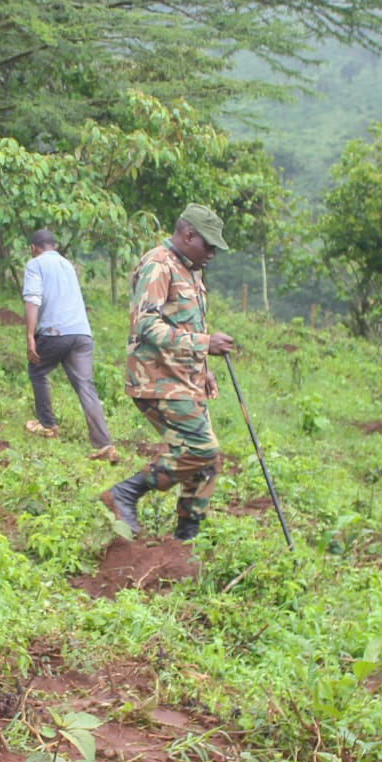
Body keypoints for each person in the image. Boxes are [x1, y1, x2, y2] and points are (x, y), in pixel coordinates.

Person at [100, 204, 234, 542]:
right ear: (188, 234)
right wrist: (204, 343)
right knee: (203, 448)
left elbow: (183, 321)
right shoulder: (158, 265)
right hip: (157, 380)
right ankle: (125, 493)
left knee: (204, 465)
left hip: (184, 380)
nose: (213, 254)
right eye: (209, 245)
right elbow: (146, 325)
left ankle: (185, 540)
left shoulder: (191, 268)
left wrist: (203, 368)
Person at [21, 229, 116, 462]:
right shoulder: (68, 265)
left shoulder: (35, 265)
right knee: (85, 385)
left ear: (34, 248)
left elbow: (33, 298)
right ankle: (104, 444)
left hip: (56, 332)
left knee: (37, 370)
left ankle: (47, 425)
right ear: (54, 246)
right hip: (82, 334)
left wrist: (30, 335)